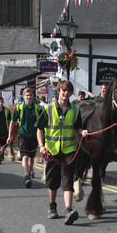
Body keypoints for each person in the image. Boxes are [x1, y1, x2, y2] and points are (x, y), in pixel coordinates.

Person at [36, 80, 88, 225]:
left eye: (68, 91)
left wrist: (82, 132)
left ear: (71, 93)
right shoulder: (48, 109)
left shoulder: (75, 110)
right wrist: (41, 147)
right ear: (58, 91)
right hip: (52, 150)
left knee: (68, 181)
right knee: (52, 182)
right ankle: (52, 206)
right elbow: (39, 130)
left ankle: (68, 210)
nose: (65, 93)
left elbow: (77, 128)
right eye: (63, 90)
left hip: (69, 150)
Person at [7, 88, 42, 188]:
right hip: (23, 135)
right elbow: (12, 123)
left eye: (30, 95)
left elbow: (42, 124)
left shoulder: (38, 108)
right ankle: (27, 176)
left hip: (34, 136)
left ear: (33, 97)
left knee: (31, 158)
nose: (29, 97)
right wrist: (10, 136)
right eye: (27, 95)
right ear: (23, 96)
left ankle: (30, 171)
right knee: (25, 156)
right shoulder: (19, 108)